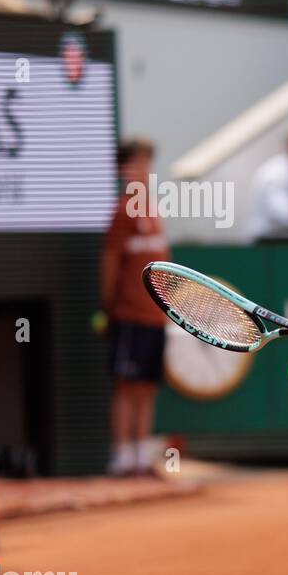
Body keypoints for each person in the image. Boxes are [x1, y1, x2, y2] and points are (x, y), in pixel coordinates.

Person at [101, 137, 171, 478]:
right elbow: (111, 262)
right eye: (137, 165)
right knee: (127, 385)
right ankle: (122, 457)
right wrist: (109, 306)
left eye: (147, 164)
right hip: (128, 314)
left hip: (156, 316)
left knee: (147, 385)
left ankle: (143, 455)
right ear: (123, 170)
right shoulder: (121, 211)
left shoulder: (153, 210)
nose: (143, 172)